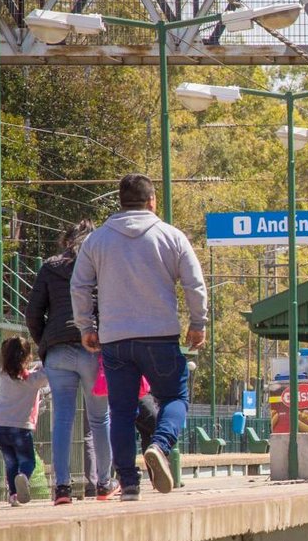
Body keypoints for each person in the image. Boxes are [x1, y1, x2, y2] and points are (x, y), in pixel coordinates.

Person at [71, 173, 207, 500]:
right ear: (152, 201)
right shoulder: (170, 236)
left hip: (115, 339)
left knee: (121, 410)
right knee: (175, 397)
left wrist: (86, 326)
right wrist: (198, 322)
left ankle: (129, 485)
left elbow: (79, 285)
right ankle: (159, 445)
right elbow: (194, 283)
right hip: (160, 335)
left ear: (120, 202)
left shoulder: (97, 240)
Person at [26, 220, 113, 502]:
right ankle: (104, 482)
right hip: (93, 348)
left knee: (62, 419)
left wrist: (46, 343)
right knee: (100, 419)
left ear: (67, 241)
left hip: (58, 350)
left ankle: (62, 487)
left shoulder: (49, 267)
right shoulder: (101, 265)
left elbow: (33, 313)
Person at [0, 336, 49, 506]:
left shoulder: (2, 376)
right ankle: (23, 476)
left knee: (10, 462)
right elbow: (47, 374)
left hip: (0, 426)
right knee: (27, 462)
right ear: (27, 357)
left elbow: (17, 372)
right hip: (21, 427)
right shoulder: (32, 380)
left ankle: (13, 495)